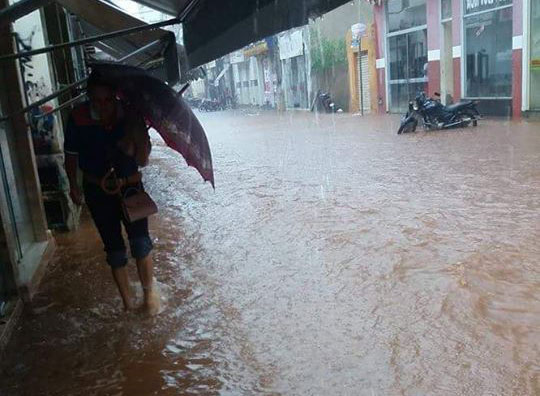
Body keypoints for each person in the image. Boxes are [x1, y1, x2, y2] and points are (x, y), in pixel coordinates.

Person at [64, 71, 160, 315]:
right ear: (89, 99)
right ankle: (128, 306)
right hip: (97, 191)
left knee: (140, 244)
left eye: (108, 100)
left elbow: (144, 161)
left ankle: (149, 299)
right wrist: (73, 187)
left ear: (115, 97)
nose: (102, 106)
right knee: (115, 251)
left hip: (130, 188)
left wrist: (134, 140)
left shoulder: (131, 115)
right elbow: (71, 157)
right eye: (96, 100)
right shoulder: (77, 118)